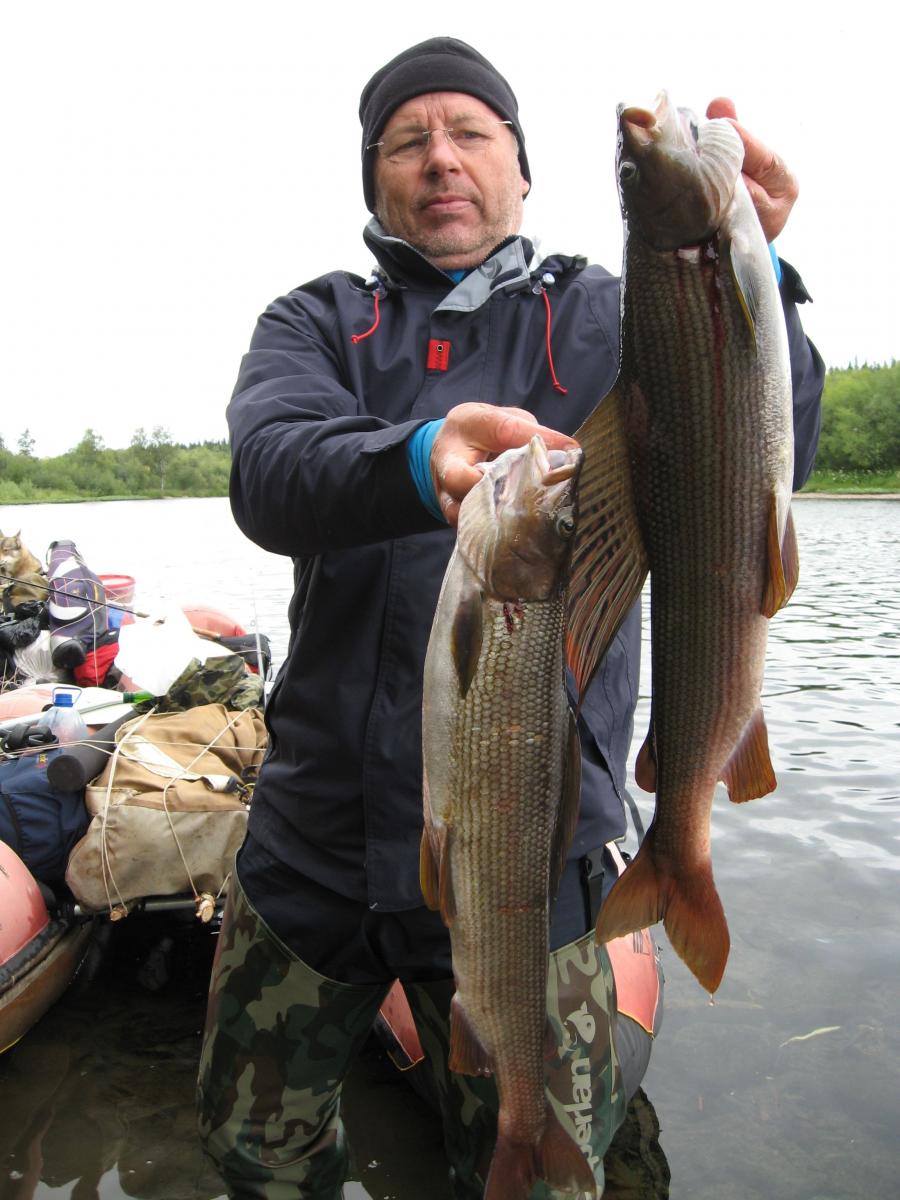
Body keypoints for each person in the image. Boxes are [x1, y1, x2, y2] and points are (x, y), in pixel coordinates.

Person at [197, 36, 823, 1199]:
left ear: (522, 169)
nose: (441, 159)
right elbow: (269, 473)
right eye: (406, 141)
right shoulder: (316, 321)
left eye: (470, 133)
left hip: (546, 845)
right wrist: (415, 455)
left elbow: (760, 461)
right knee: (253, 1152)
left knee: (545, 1170)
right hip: (312, 848)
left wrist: (755, 276)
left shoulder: (612, 312)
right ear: (374, 178)